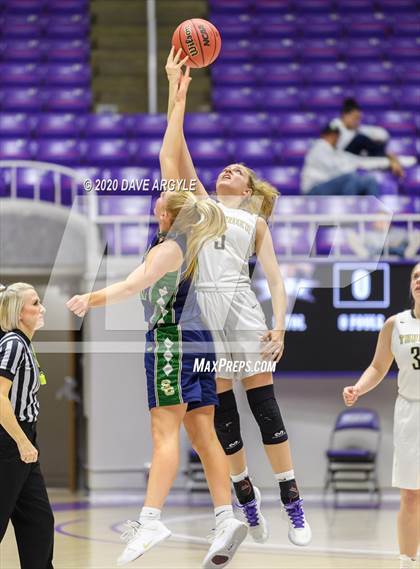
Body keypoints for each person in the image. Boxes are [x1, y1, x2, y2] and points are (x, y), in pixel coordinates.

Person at [67, 69, 247, 569]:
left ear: (171, 209)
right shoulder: (197, 227)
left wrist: (88, 300)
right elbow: (173, 154)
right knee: (201, 430)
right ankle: (225, 514)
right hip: (202, 340)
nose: (157, 192)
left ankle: (149, 518)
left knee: (163, 431)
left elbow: (131, 286)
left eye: (162, 195)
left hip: (171, 339)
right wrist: (176, 91)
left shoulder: (173, 243)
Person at [165, 48, 311, 546]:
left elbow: (275, 281)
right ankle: (246, 497)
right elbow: (175, 152)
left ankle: (292, 502)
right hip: (205, 317)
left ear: (248, 189)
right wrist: (176, 91)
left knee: (265, 409)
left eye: (237, 171)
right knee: (224, 418)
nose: (228, 171)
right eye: (224, 168)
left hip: (244, 313)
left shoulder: (255, 221)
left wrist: (281, 325)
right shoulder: (202, 207)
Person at [343, 263, 420, 569]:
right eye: (416, 276)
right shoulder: (395, 324)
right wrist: (358, 389)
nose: (419, 281)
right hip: (410, 413)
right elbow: (377, 367)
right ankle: (406, 561)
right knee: (411, 494)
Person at [0, 282, 54, 569]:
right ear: (19, 313)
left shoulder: (25, 344)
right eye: (35, 303)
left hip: (24, 440)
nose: (41, 307)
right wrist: (21, 441)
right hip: (10, 441)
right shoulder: (13, 344)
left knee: (39, 521)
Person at [301, 124, 396, 196]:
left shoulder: (336, 151)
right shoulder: (319, 146)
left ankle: (377, 218)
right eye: (335, 136)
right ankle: (350, 218)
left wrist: (388, 162)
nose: (336, 139)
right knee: (350, 178)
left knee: (370, 180)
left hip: (332, 186)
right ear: (328, 135)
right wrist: (352, 168)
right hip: (313, 190)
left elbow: (359, 161)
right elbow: (336, 170)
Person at [330, 97, 415, 174]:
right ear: (345, 115)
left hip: (357, 156)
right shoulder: (335, 126)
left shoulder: (357, 128)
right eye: (355, 118)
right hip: (340, 157)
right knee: (361, 139)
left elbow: (383, 134)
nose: (357, 121)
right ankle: (391, 158)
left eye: (359, 119)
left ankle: (391, 158)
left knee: (374, 141)